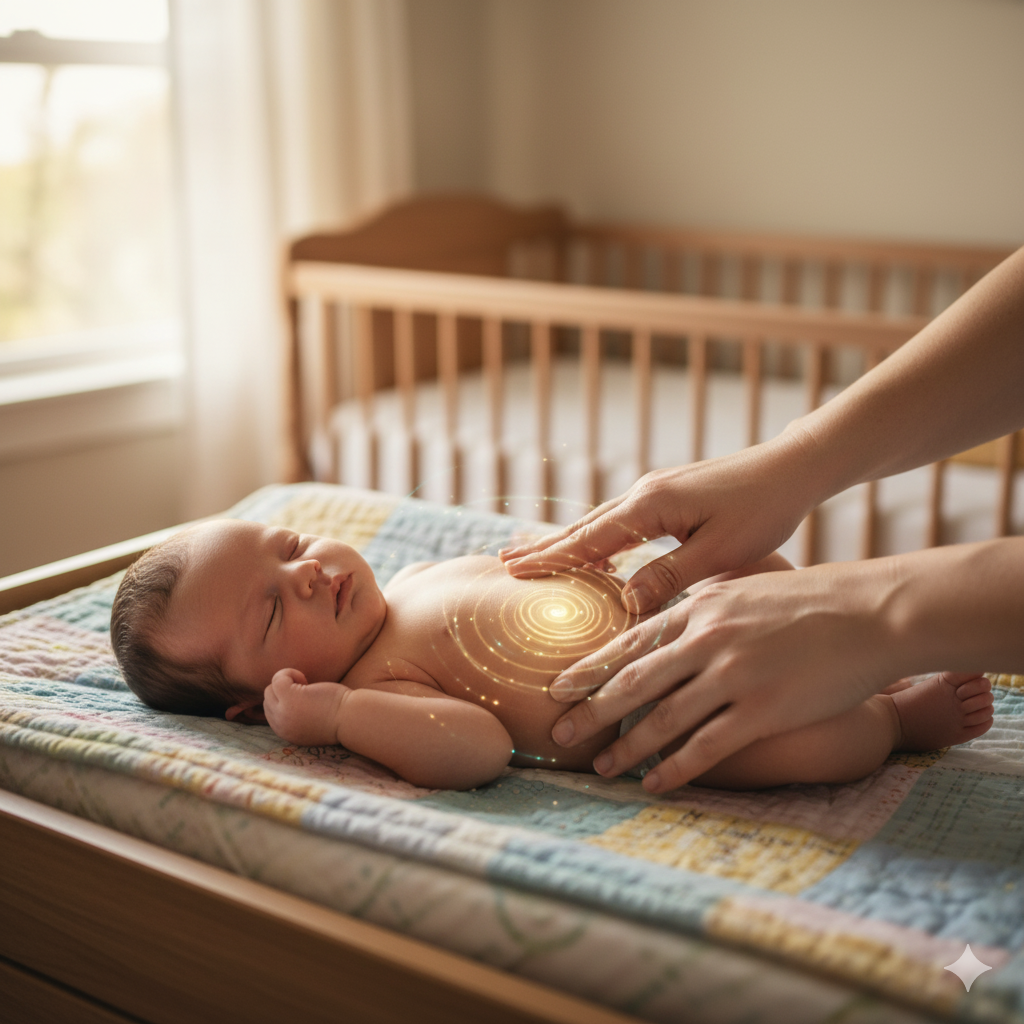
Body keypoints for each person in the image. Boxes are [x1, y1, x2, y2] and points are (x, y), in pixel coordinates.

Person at [500, 245, 1024, 794]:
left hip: (669, 624)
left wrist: (871, 617)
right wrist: (797, 458)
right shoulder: (398, 682)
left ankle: (893, 716)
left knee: (757, 574)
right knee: (793, 741)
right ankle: (881, 706)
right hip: (633, 709)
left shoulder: (412, 589)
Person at [110, 519, 993, 791]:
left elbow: (516, 576)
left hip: (675, 609)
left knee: (751, 567)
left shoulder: (416, 574)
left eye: (289, 544)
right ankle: (892, 715)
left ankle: (853, 635)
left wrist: (569, 560)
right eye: (272, 609)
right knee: (799, 747)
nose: (306, 574)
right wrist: (338, 717)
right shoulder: (377, 684)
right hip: (665, 707)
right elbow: (478, 749)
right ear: (259, 700)